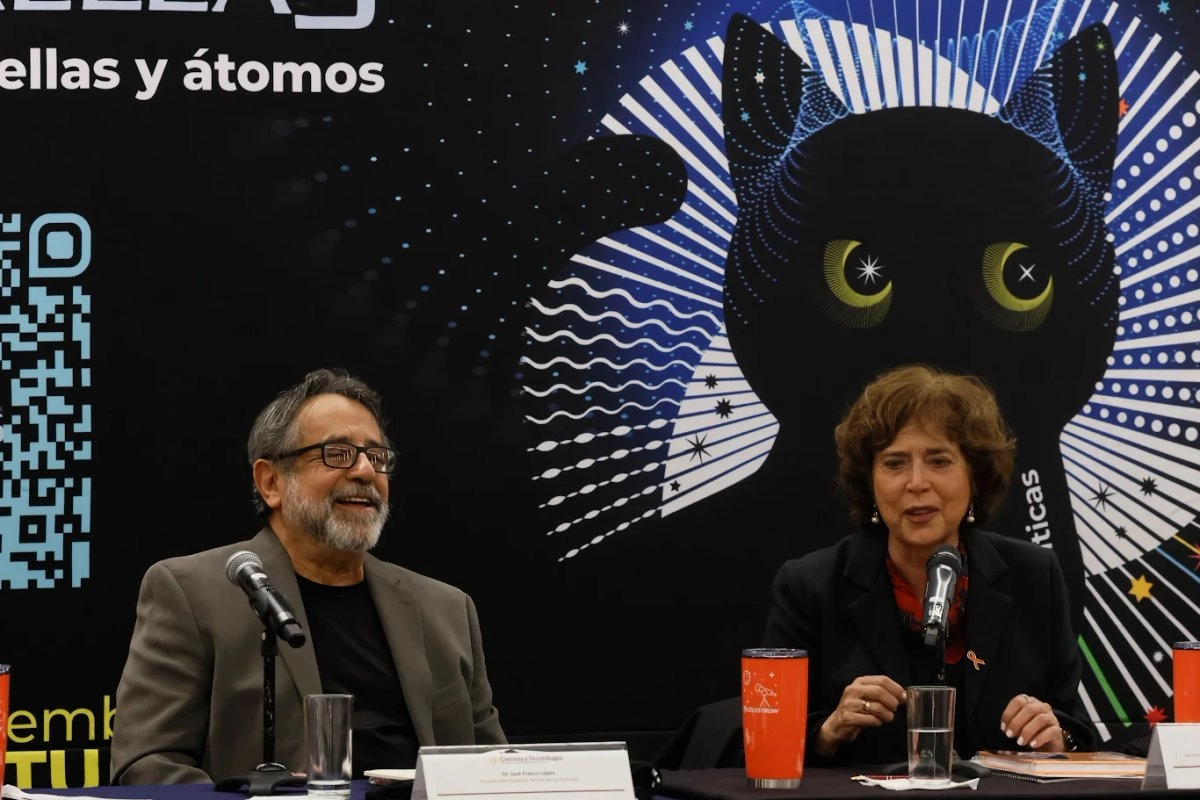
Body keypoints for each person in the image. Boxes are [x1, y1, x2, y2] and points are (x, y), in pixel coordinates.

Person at [111, 368, 505, 784]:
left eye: (377, 456)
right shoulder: (193, 592)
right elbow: (147, 763)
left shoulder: (446, 609)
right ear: (271, 482)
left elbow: (496, 772)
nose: (365, 472)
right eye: (337, 453)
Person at [763, 364, 1097, 766]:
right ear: (869, 482)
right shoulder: (811, 586)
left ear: (975, 476)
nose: (917, 482)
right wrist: (828, 731)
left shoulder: (1034, 575)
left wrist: (1056, 736)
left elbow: (1075, 730)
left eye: (939, 461)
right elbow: (769, 741)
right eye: (894, 463)